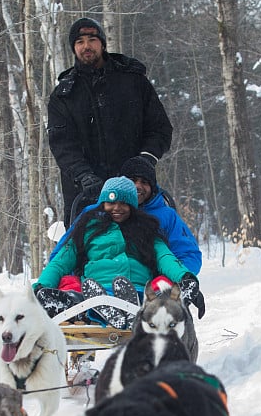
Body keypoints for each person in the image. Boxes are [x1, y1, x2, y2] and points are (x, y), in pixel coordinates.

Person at [47, 17, 173, 227]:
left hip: (135, 192)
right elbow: (62, 145)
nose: (86, 46)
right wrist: (84, 176)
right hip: (86, 196)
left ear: (103, 43)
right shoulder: (63, 95)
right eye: (80, 42)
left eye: (92, 39)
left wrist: (143, 162)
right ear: (73, 48)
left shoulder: (133, 80)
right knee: (88, 254)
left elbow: (159, 128)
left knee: (144, 250)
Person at [33, 177, 205, 329]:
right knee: (70, 285)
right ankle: (82, 306)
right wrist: (41, 286)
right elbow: (61, 261)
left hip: (136, 288)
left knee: (160, 287)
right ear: (102, 204)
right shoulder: (88, 228)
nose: (117, 208)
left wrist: (185, 278)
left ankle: (123, 307)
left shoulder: (146, 230)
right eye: (111, 203)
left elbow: (165, 257)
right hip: (93, 289)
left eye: (123, 203)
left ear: (132, 206)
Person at [119, 156, 202, 275]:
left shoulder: (167, 216)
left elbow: (188, 255)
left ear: (152, 187)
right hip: (107, 278)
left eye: (144, 182)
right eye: (132, 180)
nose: (137, 186)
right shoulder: (104, 211)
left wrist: (171, 280)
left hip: (154, 284)